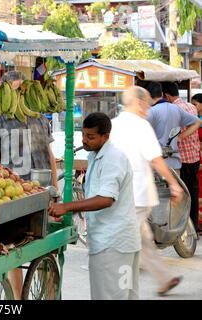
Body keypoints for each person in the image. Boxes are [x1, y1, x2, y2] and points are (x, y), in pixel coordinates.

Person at [49, 112, 141, 300]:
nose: (84, 140)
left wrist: (68, 207)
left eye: (90, 137)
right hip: (113, 241)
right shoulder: (96, 155)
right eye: (83, 135)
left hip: (114, 244)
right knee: (122, 295)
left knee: (111, 295)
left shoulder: (112, 158)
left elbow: (106, 199)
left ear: (105, 136)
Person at [0, 70, 58, 300]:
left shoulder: (31, 117)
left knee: (15, 249)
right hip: (21, 193)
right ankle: (23, 298)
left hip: (24, 194)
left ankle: (24, 298)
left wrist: (54, 189)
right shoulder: (21, 117)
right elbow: (49, 155)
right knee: (29, 248)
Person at [110, 86, 184, 296]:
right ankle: (163, 278)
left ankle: (121, 286)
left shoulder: (114, 125)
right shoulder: (141, 126)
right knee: (138, 241)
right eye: (148, 104)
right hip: (135, 194)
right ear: (138, 102)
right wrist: (174, 183)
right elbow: (156, 159)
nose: (149, 109)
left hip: (126, 194)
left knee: (131, 241)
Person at [161, 82, 201, 235]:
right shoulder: (191, 106)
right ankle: (194, 228)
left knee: (181, 196)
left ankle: (183, 230)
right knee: (193, 193)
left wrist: (180, 138)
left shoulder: (174, 109)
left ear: (166, 96)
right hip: (194, 157)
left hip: (182, 159)